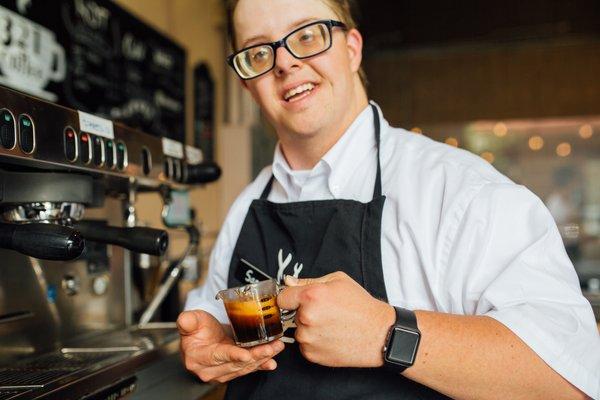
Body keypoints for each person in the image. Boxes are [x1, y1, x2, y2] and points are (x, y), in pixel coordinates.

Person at [178, 0, 600, 398]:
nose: (285, 62)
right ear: (246, 83)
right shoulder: (246, 205)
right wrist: (209, 344)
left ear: (352, 48)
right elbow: (212, 316)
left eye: (306, 36)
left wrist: (385, 332)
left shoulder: (460, 192)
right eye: (258, 53)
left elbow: (568, 377)